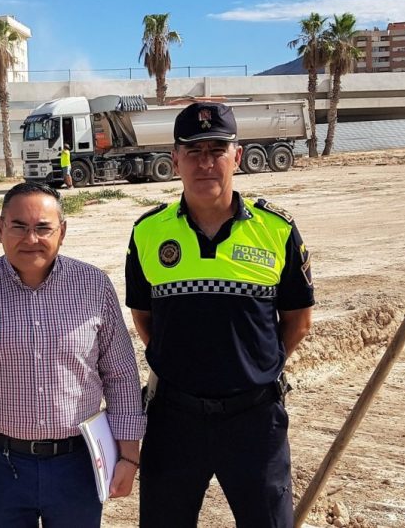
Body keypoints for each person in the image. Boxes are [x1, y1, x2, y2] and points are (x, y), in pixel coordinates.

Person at [125, 102, 314, 528]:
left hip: (255, 420)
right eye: (193, 151)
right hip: (174, 420)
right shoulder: (148, 233)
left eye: (216, 150)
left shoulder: (277, 230)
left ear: (238, 157)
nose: (205, 162)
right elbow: (143, 318)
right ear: (174, 160)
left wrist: (251, 368)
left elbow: (298, 322)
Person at [0, 181, 146, 528]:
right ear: (0, 229)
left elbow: (120, 375)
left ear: (62, 232)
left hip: (78, 464)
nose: (31, 239)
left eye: (43, 228)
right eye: (18, 226)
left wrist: (129, 457)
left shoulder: (93, 286)